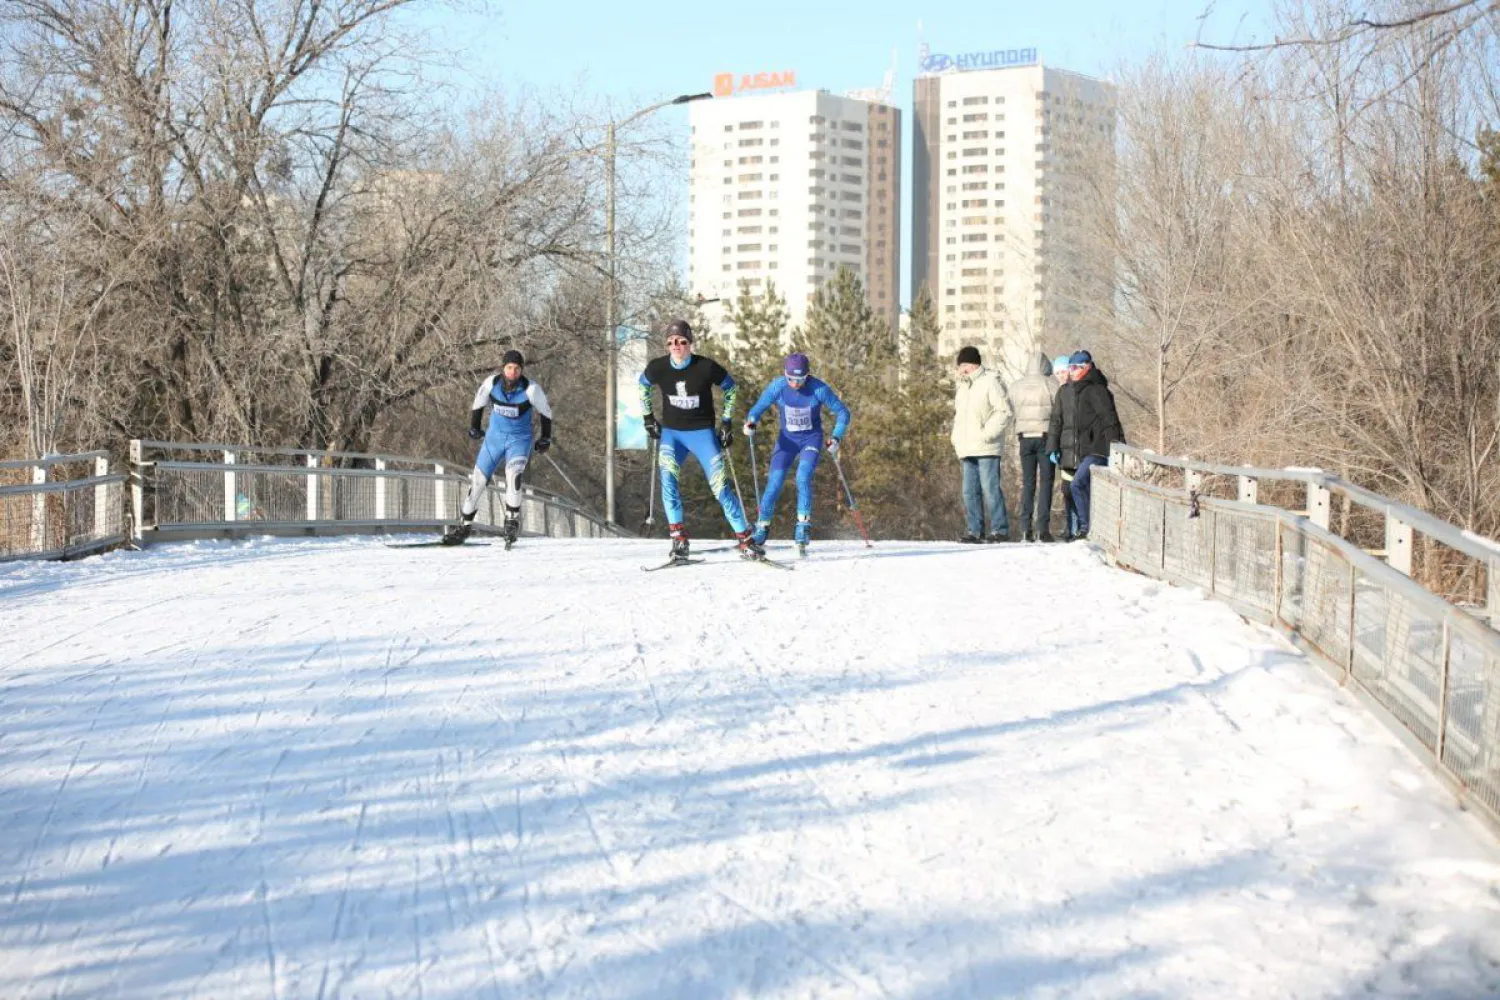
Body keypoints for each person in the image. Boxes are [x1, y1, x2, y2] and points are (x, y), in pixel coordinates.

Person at [638, 319, 758, 561]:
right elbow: (643, 386)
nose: (677, 346)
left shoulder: (705, 367)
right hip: (673, 434)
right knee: (668, 480)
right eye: (671, 342)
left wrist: (726, 421)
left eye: (682, 342)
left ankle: (745, 539)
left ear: (690, 343)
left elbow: (731, 388)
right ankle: (679, 539)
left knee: (720, 486)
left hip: (702, 433)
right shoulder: (658, 367)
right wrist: (648, 418)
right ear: (666, 345)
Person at [742, 352, 851, 555]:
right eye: (790, 379)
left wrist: (836, 437)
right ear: (785, 375)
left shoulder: (818, 388)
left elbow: (843, 413)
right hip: (787, 441)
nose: (795, 384)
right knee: (774, 483)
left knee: (802, 478)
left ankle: (802, 527)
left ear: (807, 376)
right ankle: (762, 527)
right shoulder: (778, 386)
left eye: (800, 379)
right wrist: (751, 421)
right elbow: (758, 407)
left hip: (811, 440)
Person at [445, 349, 552, 546]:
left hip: (519, 441)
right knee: (477, 480)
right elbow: (478, 404)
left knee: (513, 475)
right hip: (494, 439)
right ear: (503, 368)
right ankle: (463, 526)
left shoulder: (531, 389)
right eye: (509, 368)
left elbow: (546, 413)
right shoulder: (491, 383)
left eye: (517, 369)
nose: (513, 372)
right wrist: (474, 428)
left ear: (521, 371)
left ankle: (511, 522)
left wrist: (546, 438)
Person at [1045, 349, 1125, 541]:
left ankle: (1085, 527)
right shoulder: (1073, 390)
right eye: (1070, 367)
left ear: (1086, 367)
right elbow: (1059, 421)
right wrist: (1053, 446)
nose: (1070, 371)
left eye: (1075, 368)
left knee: (1078, 484)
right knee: (1073, 487)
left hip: (1097, 448)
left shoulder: (1096, 389)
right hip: (1080, 450)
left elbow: (1109, 419)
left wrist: (1115, 447)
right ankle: (1082, 528)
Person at [950, 345, 1013, 543]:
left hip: (986, 446)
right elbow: (959, 416)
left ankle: (999, 529)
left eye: (963, 365)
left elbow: (1004, 411)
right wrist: (956, 438)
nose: (960, 369)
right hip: (966, 447)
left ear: (972, 364)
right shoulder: (962, 387)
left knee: (990, 488)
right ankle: (975, 531)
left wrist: (988, 434)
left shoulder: (989, 382)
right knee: (969, 491)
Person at [1009, 352, 1057, 542]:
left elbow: (1010, 408)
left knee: (1028, 483)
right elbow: (1057, 410)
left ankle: (1024, 528)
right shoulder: (1050, 385)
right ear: (1046, 366)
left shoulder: (1015, 386)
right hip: (1045, 437)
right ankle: (1042, 529)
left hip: (1024, 438)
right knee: (1046, 482)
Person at [1050, 354, 1079, 542]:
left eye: (1064, 371)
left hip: (1078, 449)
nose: (1061, 375)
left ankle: (1078, 527)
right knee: (1067, 490)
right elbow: (1056, 421)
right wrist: (1053, 446)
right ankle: (1070, 526)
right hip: (1064, 450)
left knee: (1077, 489)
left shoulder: (1076, 391)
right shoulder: (1060, 392)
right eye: (1058, 372)